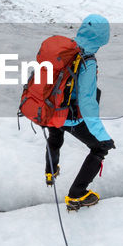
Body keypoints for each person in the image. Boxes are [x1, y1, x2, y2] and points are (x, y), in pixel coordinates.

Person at [44, 14, 115, 210]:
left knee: (55, 136)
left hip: (51, 110)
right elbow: (87, 102)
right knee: (100, 147)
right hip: (70, 116)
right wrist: (103, 136)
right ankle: (77, 194)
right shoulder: (88, 61)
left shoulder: (65, 48)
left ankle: (50, 171)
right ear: (102, 38)